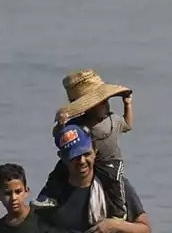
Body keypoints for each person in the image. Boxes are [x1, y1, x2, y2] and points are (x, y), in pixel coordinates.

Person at [54, 69, 135, 215]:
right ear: (89, 107)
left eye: (106, 101)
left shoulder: (113, 120)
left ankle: (119, 212)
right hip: (86, 162)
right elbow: (61, 138)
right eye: (102, 102)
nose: (107, 105)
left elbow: (128, 125)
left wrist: (127, 104)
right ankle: (48, 196)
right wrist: (61, 125)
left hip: (111, 161)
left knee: (114, 184)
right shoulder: (77, 124)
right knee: (58, 171)